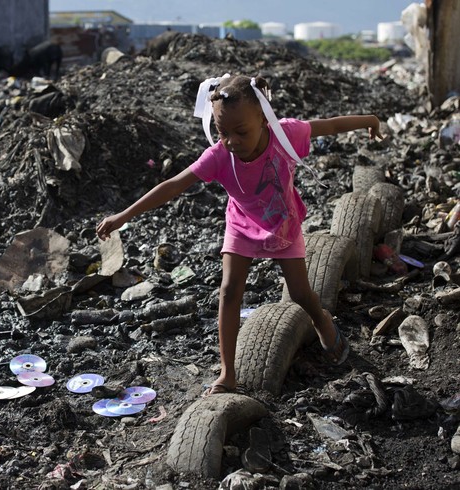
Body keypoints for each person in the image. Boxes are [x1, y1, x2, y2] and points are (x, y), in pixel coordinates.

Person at [95, 74, 383, 397]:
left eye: (240, 132)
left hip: (282, 224)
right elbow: (173, 185)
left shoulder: (285, 134)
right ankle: (228, 372)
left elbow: (328, 126)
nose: (231, 141)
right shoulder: (219, 156)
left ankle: (322, 321)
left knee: (301, 294)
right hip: (241, 225)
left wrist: (369, 120)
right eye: (222, 132)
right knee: (229, 291)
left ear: (263, 117)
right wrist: (123, 216)